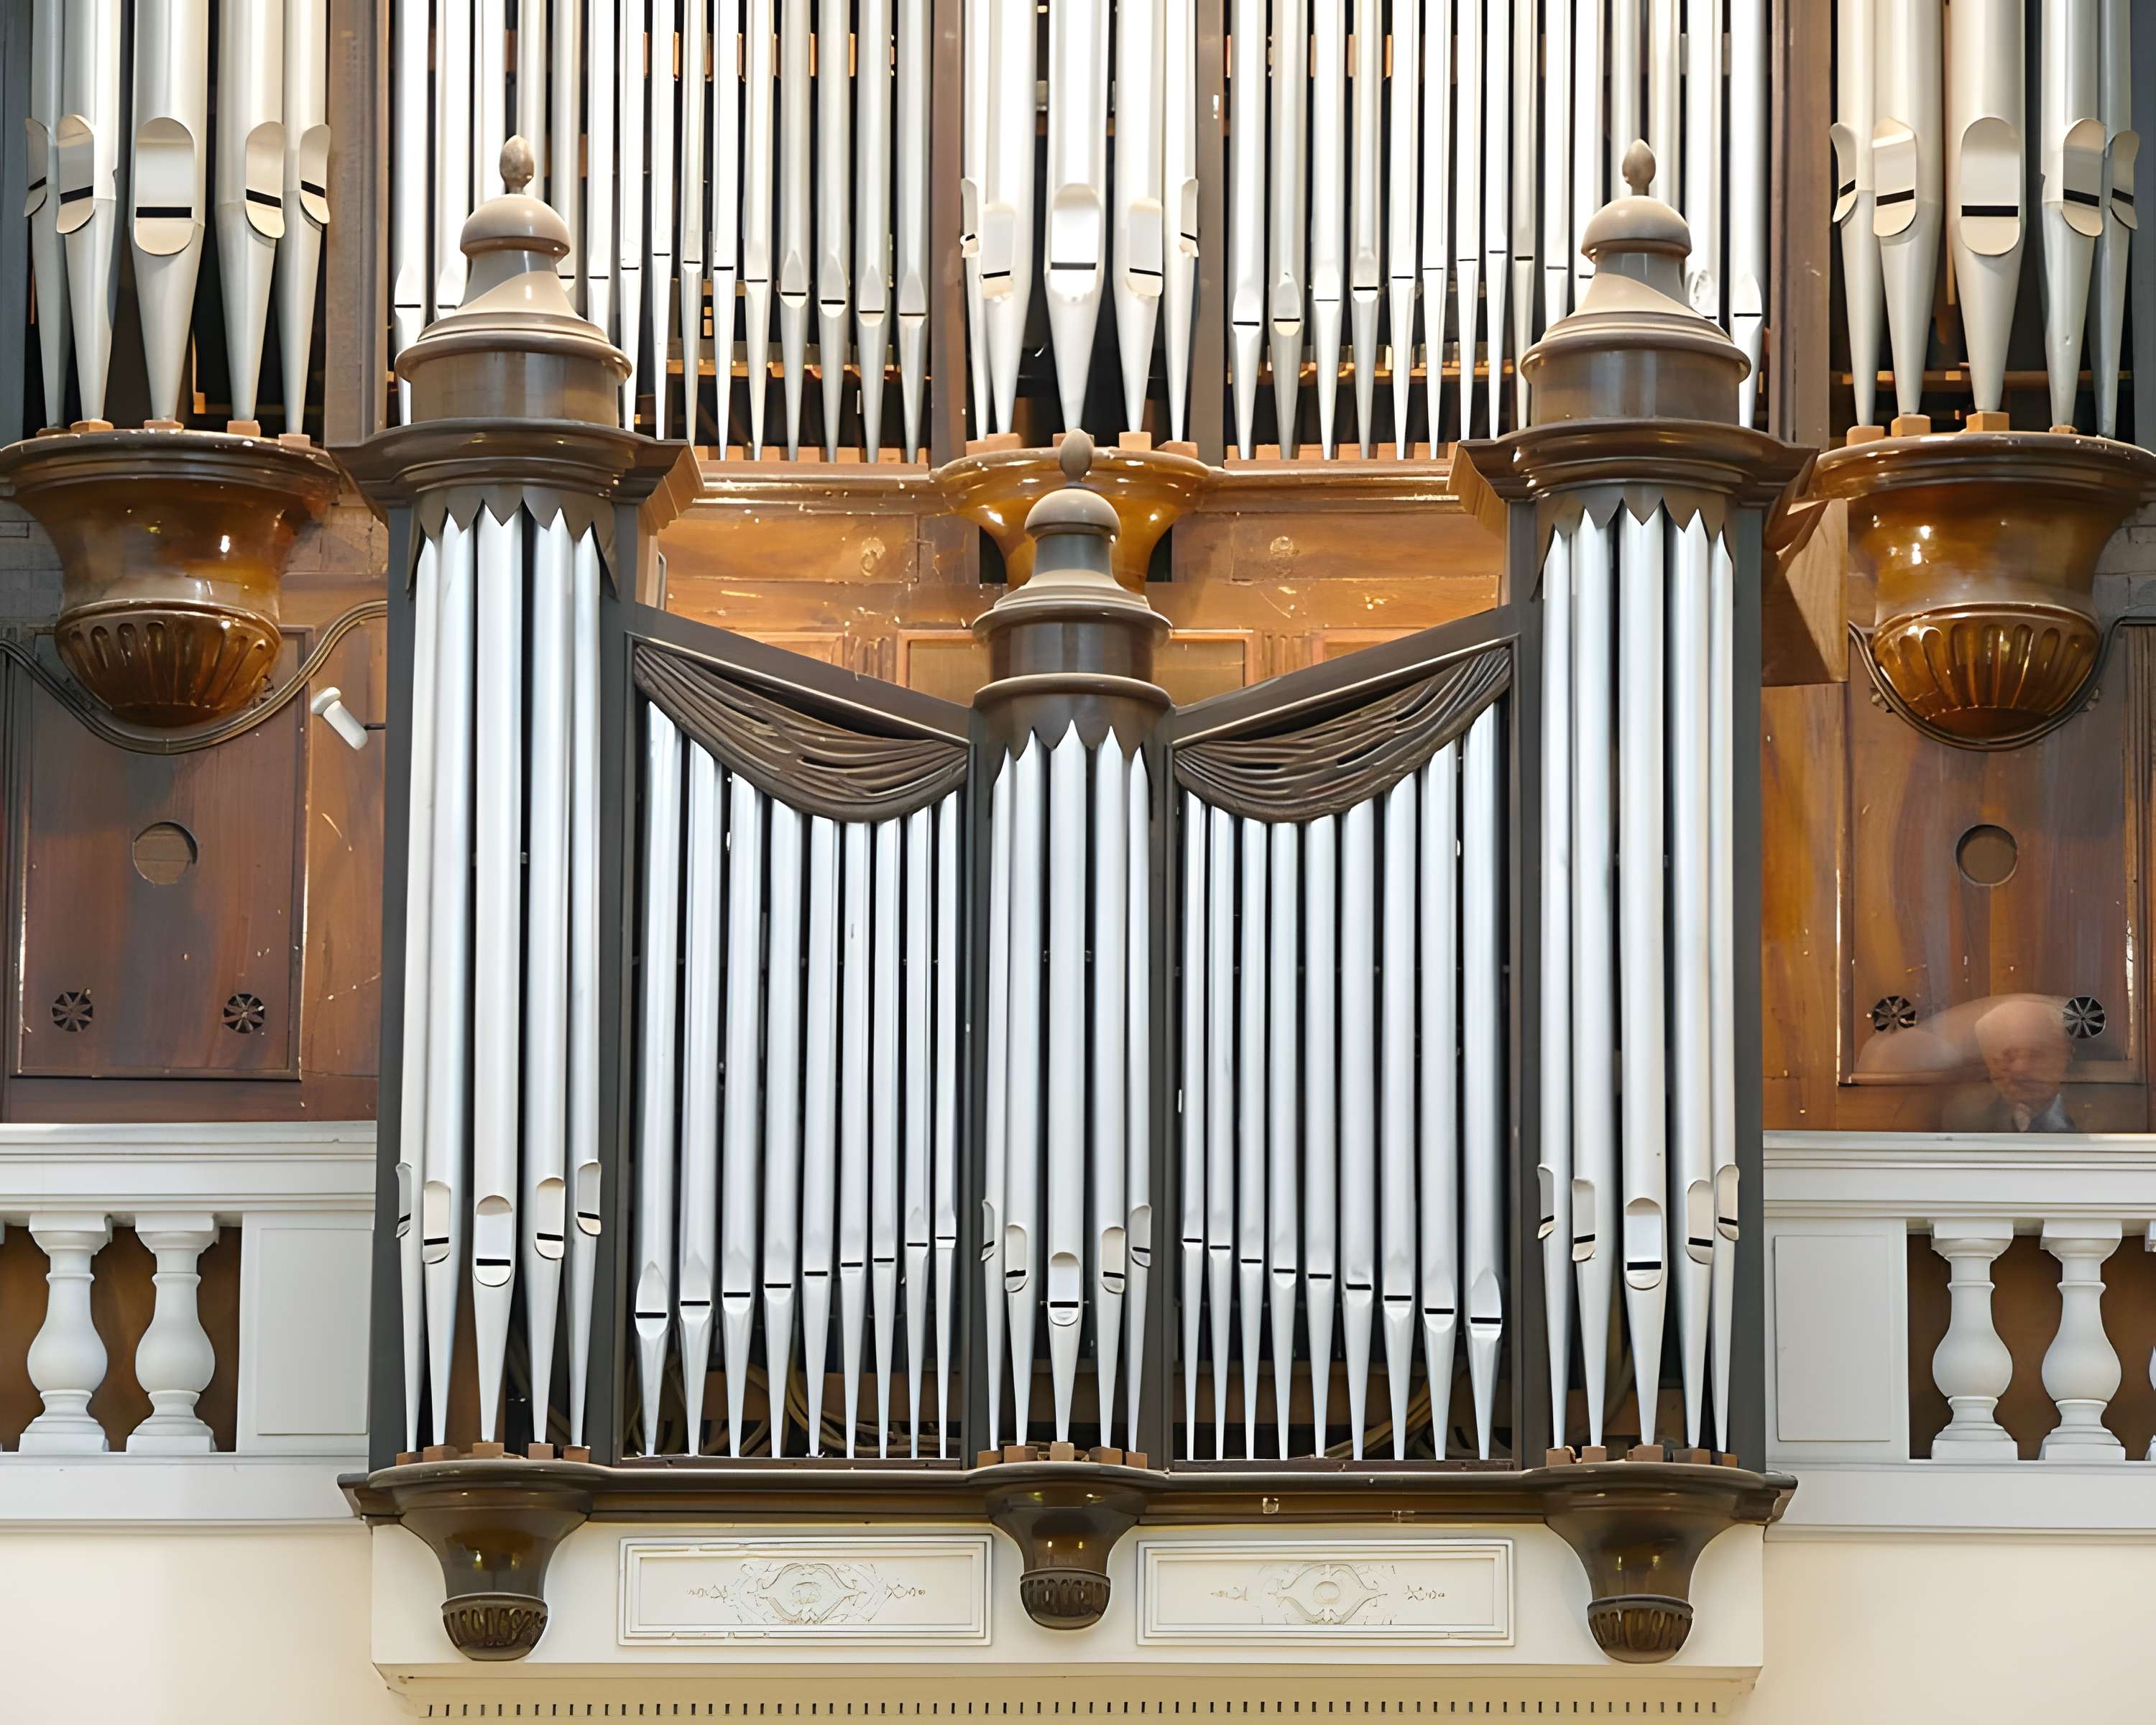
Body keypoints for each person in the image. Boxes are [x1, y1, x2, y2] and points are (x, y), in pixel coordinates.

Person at [1948, 995, 2076, 1133]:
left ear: (2065, 1055)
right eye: (2007, 1056)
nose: (2020, 1068)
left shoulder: (2099, 1121)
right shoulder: (1967, 1123)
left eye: (2036, 1054)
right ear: (1990, 1066)